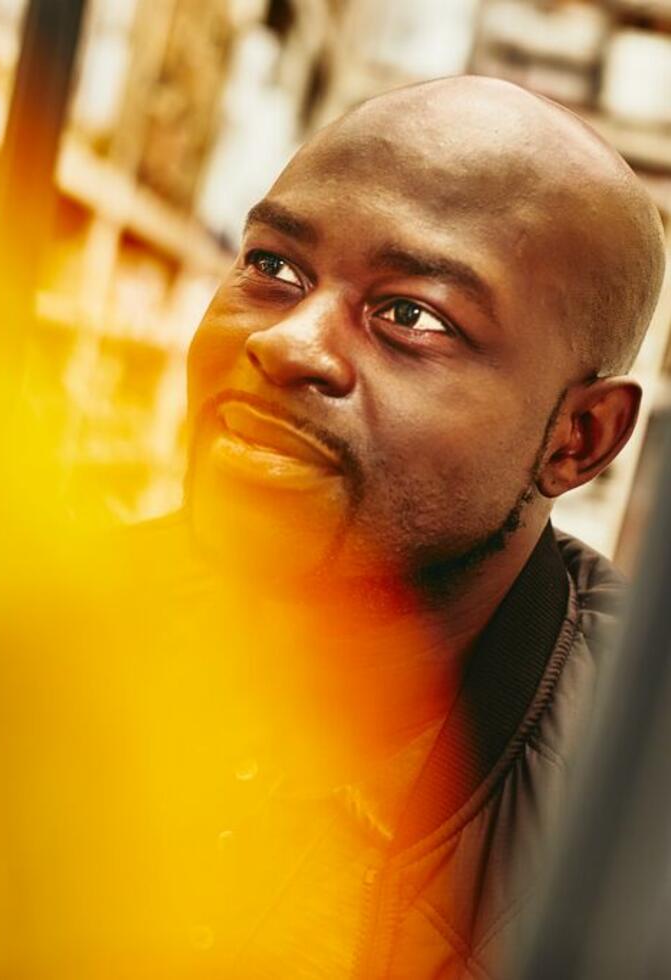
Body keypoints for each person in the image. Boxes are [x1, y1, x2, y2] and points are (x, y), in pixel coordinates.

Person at [138, 74, 667, 977]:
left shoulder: (632, 830)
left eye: (409, 315)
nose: (285, 342)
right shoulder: (20, 638)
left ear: (577, 440)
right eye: (272, 266)